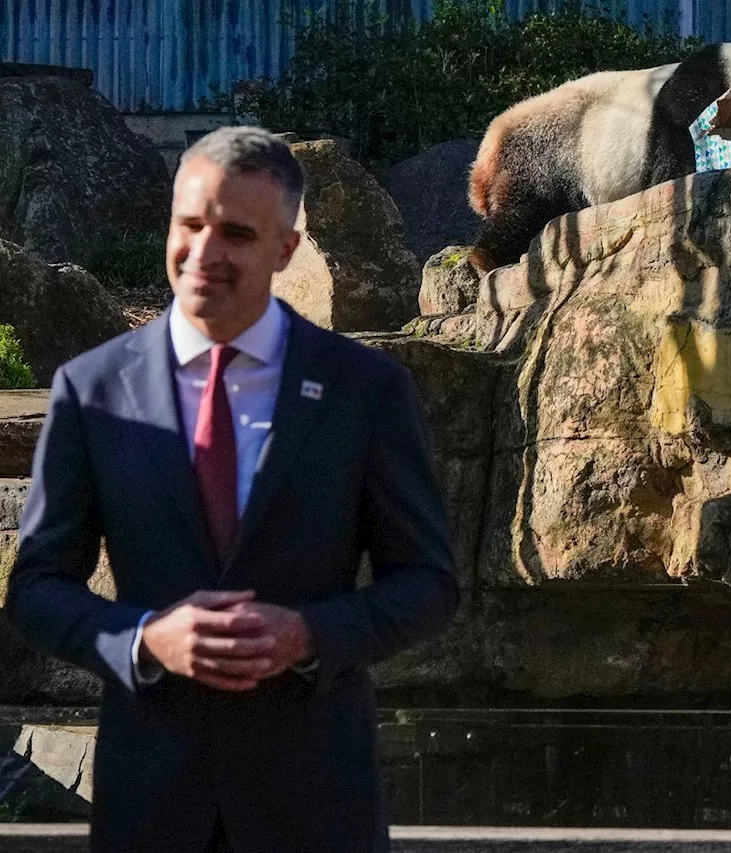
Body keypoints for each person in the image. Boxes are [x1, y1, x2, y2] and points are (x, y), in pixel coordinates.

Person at [5, 126, 459, 852]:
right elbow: (35, 588)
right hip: (150, 805)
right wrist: (144, 639)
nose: (205, 253)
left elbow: (431, 582)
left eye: (237, 234)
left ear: (285, 249)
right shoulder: (91, 391)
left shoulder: (363, 391)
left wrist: (308, 634)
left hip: (313, 804)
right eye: (190, 225)